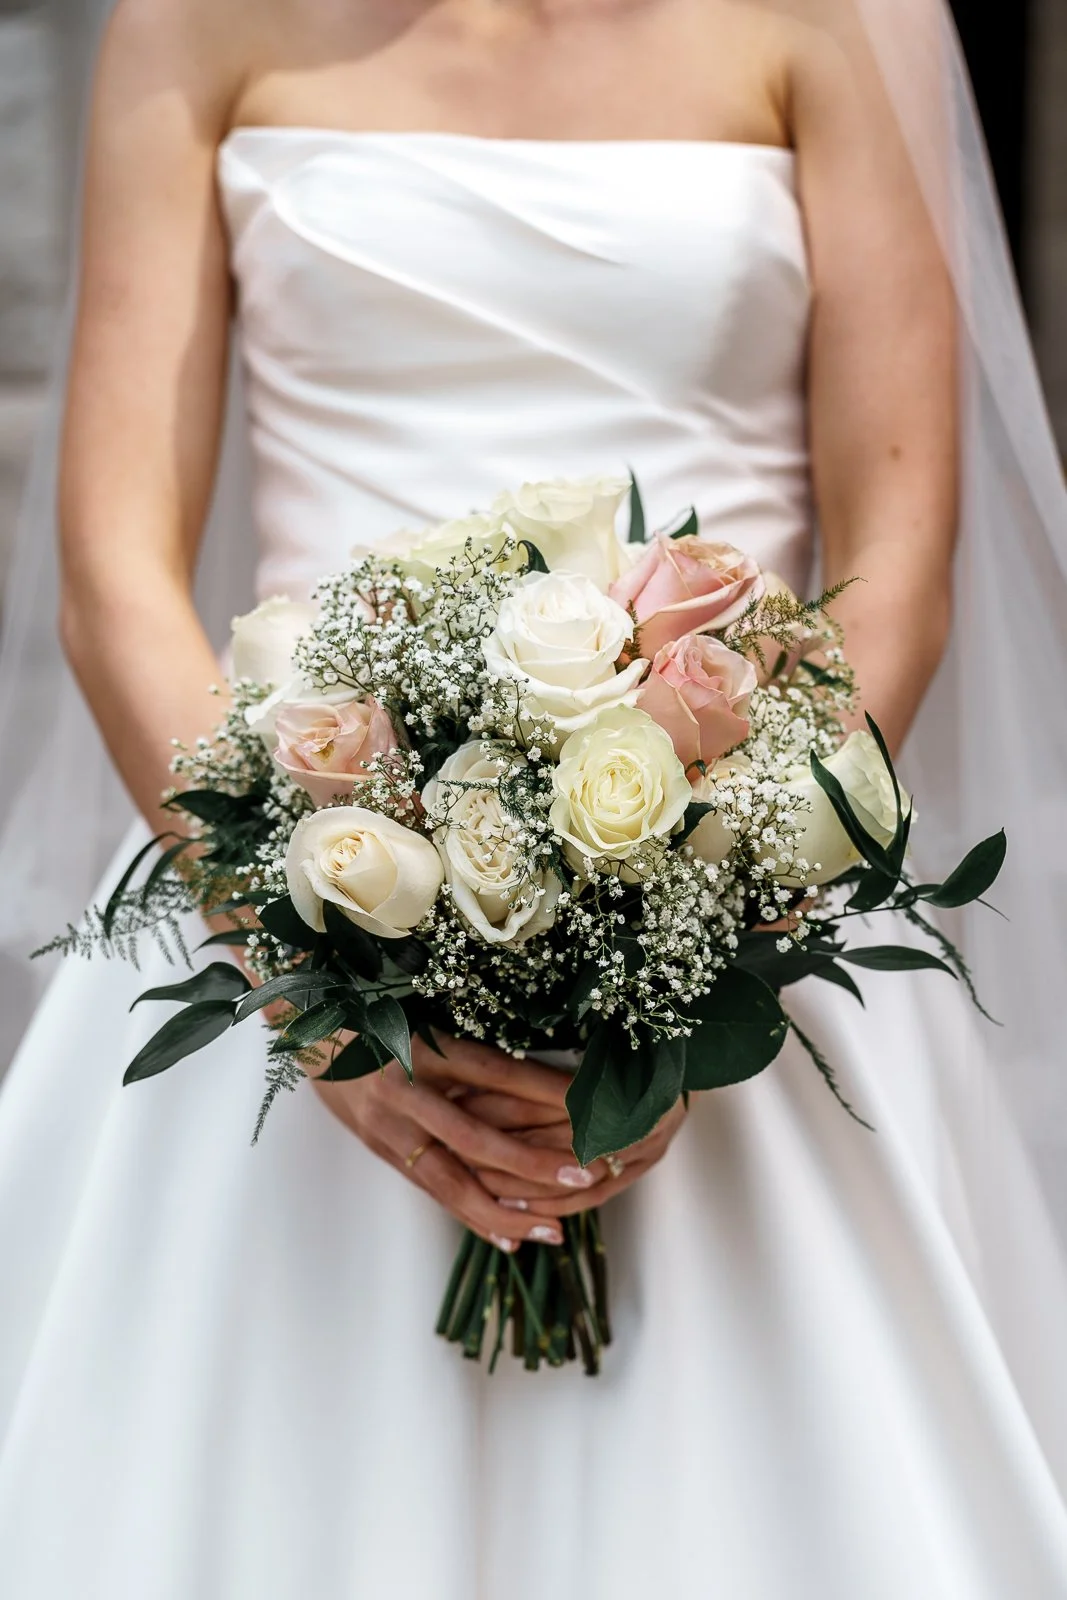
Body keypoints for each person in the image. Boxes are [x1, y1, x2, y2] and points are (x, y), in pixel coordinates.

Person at [1, 0, 1067, 1594]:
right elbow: (113, 571)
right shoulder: (192, 20)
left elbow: (898, 553)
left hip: (736, 919)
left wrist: (712, 923)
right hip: (288, 901)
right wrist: (309, 980)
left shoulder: (851, 17)